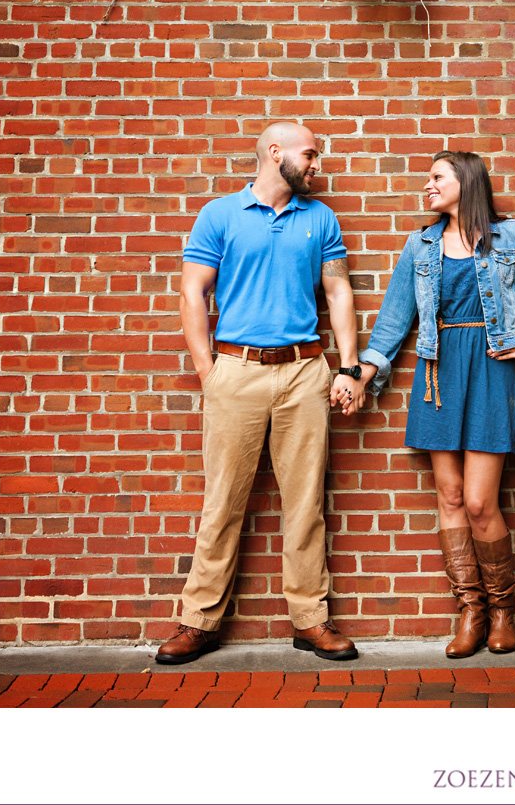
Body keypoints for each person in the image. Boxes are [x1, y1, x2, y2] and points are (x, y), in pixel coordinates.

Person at [155, 122, 368, 665]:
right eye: (310, 153)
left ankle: (311, 622)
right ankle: (198, 622)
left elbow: (338, 289)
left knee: (305, 504)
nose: (316, 163)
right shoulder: (220, 215)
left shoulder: (319, 218)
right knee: (223, 501)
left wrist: (348, 366)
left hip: (304, 371)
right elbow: (192, 291)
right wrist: (209, 373)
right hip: (236, 370)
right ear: (276, 154)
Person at [353, 151, 515, 658]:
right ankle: (471, 611)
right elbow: (393, 320)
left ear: (466, 182)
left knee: (479, 502)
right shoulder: (421, 244)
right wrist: (361, 375)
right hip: (437, 372)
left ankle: (502, 610)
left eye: (437, 177)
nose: (427, 185)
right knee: (450, 499)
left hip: (492, 370)